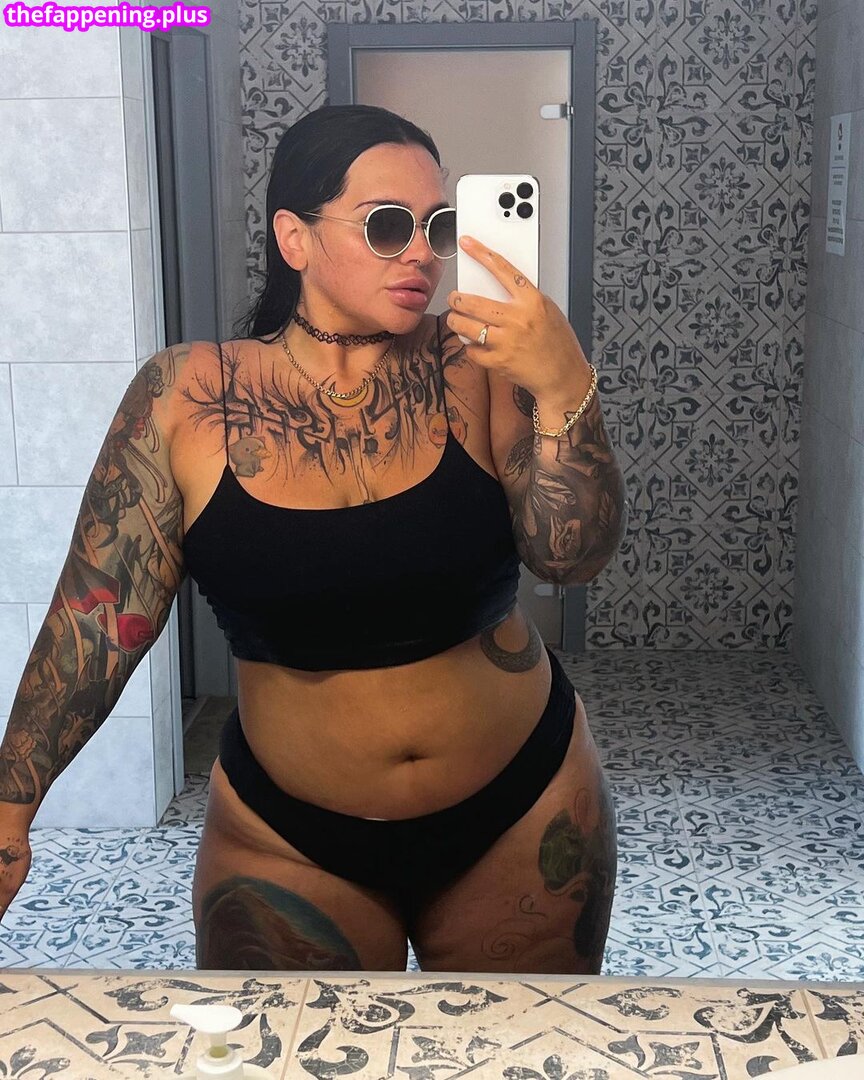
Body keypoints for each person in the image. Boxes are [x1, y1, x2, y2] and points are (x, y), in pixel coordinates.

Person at [0, 104, 627, 973]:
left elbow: (571, 555)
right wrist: (11, 809)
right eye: (387, 224)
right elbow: (96, 623)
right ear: (293, 238)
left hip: (521, 809)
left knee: (515, 1044)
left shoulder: (479, 368)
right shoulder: (189, 397)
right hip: (287, 841)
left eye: (437, 226)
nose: (421, 253)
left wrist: (563, 385)